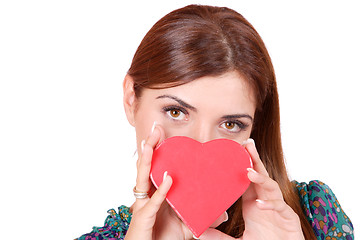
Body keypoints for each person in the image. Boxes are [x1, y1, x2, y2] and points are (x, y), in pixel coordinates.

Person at [76, 4, 353, 240]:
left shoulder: (315, 216)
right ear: (130, 100)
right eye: (175, 112)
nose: (202, 145)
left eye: (231, 124)